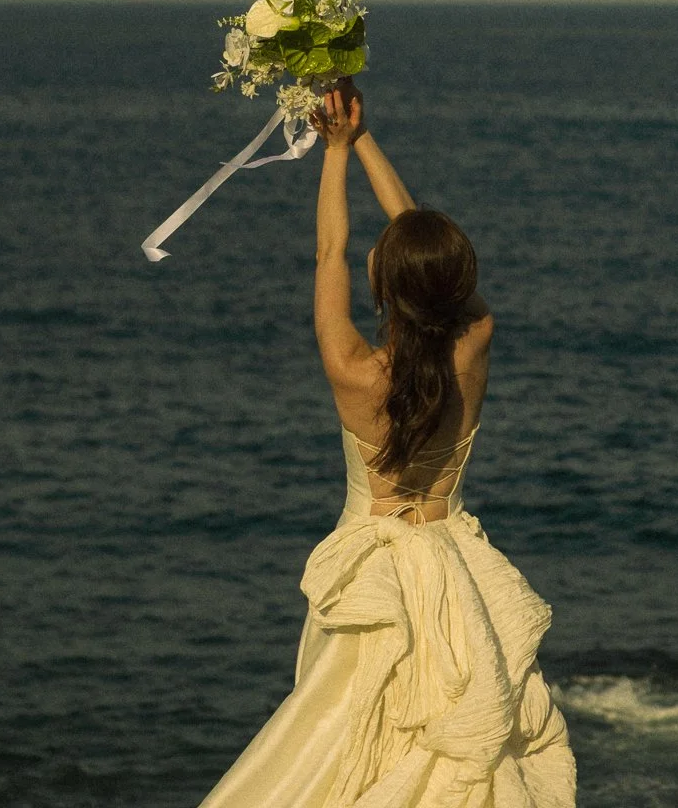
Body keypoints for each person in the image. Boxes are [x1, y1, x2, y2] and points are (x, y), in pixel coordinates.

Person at [196, 80, 576, 807]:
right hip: (455, 565)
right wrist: (363, 136)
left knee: (339, 740)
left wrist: (336, 149)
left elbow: (328, 250)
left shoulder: (353, 371)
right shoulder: (477, 340)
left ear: (382, 285)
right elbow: (425, 251)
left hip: (374, 576)